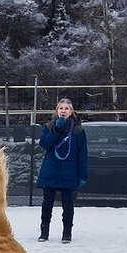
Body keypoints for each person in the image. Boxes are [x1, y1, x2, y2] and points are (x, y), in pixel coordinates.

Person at [37, 98, 89, 243]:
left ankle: (67, 233)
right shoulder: (49, 127)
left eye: (66, 108)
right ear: (57, 111)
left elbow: (82, 154)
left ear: (71, 112)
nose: (63, 111)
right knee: (47, 203)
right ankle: (44, 232)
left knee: (68, 205)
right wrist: (56, 129)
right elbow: (45, 144)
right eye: (61, 108)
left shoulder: (78, 130)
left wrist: (82, 175)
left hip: (69, 171)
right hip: (51, 170)